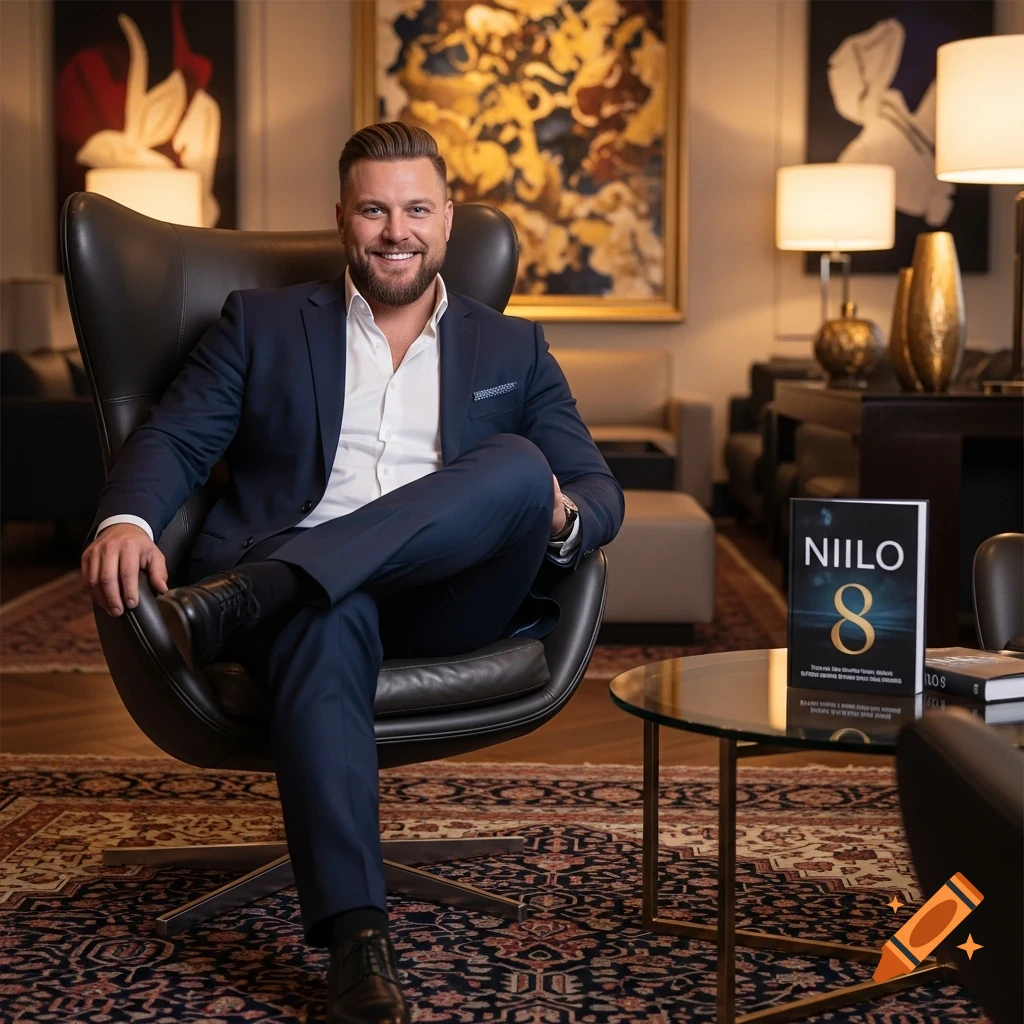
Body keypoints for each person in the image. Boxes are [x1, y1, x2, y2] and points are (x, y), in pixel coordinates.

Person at [80, 121, 624, 1024]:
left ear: (448, 222)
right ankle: (358, 946)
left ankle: (262, 590)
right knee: (326, 615)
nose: (395, 231)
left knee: (524, 466)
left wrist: (557, 512)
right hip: (315, 606)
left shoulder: (514, 348)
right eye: (374, 209)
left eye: (416, 209)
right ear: (342, 219)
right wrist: (127, 518)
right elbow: (174, 437)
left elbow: (598, 487)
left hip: (446, 597)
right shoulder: (261, 325)